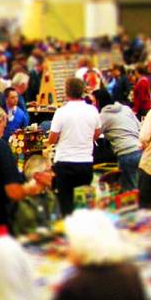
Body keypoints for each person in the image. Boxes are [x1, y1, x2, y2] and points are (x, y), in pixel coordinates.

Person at [47, 77, 100, 215]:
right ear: (82, 91)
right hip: (85, 162)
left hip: (65, 162)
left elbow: (52, 139)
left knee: (66, 204)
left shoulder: (61, 112)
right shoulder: (93, 111)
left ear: (66, 92)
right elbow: (96, 133)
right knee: (84, 204)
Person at [96, 89, 143, 191]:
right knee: (139, 185)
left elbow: (94, 135)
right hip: (139, 150)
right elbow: (139, 127)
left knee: (129, 190)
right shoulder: (126, 109)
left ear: (98, 102)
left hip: (125, 153)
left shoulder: (103, 116)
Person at [10, 154, 61, 236]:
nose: (53, 174)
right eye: (49, 171)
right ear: (37, 175)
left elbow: (57, 223)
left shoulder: (51, 197)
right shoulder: (20, 199)